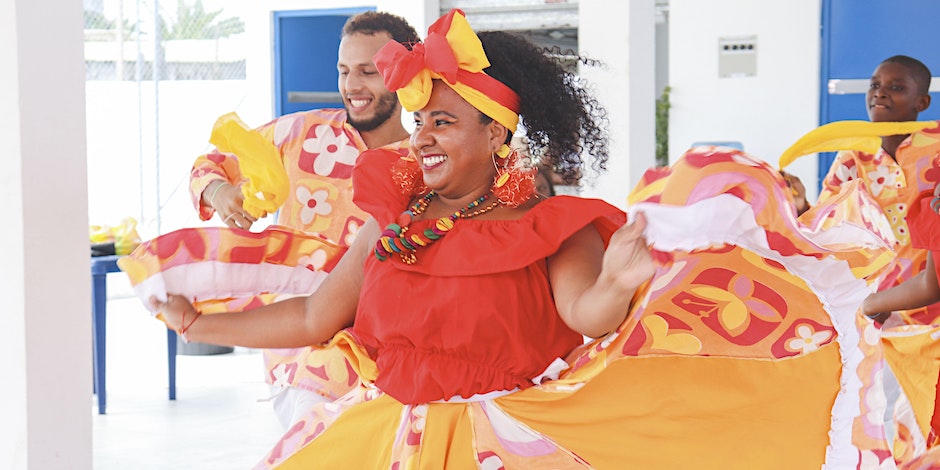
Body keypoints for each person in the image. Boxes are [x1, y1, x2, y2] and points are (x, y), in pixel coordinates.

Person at [150, 9, 661, 467]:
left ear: (495, 134)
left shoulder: (550, 226)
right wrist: (197, 324)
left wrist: (615, 282)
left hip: (498, 447)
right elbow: (312, 317)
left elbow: (587, 315)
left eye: (443, 122)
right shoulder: (392, 221)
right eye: (420, 122)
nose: (422, 137)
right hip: (390, 441)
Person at [186, 11, 421, 427]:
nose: (352, 85)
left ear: (403, 75)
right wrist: (221, 192)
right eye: (344, 70)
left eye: (368, 71)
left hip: (392, 363)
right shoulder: (299, 134)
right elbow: (213, 163)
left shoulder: (426, 158)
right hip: (304, 361)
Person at [791, 55, 938, 325]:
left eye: (896, 87)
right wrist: (801, 206)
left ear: (922, 102)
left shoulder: (935, 150)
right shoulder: (853, 157)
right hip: (877, 303)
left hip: (930, 298)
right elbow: (826, 229)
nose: (880, 93)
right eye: (874, 85)